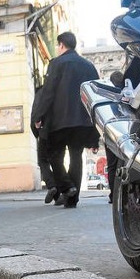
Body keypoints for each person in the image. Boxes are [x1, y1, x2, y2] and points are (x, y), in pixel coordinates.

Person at [30, 32, 100, 208]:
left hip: (60, 120)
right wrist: (96, 130)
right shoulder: (89, 66)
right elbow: (95, 96)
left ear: (61, 45)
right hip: (83, 121)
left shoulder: (57, 64)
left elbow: (49, 92)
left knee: (54, 156)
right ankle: (72, 199)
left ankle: (67, 186)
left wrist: (39, 115)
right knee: (76, 156)